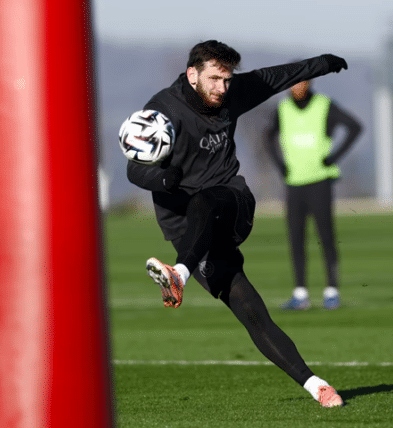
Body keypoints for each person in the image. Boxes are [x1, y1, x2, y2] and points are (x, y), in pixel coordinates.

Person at [126, 40, 349, 408]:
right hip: (187, 233)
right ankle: (317, 386)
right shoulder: (162, 110)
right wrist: (161, 180)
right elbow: (135, 167)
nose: (222, 88)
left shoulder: (231, 94)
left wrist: (324, 62)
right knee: (250, 310)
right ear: (192, 74)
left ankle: (178, 276)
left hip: (231, 206)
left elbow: (279, 76)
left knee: (206, 198)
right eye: (214, 79)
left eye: (227, 80)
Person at [265, 79, 362, 311]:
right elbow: (268, 137)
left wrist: (333, 158)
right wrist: (280, 165)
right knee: (296, 238)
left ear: (309, 83)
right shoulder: (282, 109)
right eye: (292, 83)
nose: (296, 87)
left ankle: (332, 292)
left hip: (320, 180)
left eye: (300, 82)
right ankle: (300, 294)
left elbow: (354, 127)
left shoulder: (324, 105)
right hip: (294, 182)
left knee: (326, 236)